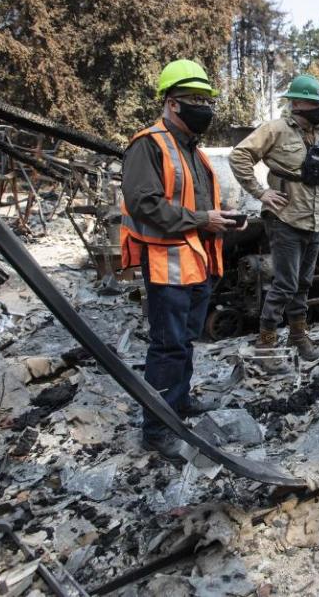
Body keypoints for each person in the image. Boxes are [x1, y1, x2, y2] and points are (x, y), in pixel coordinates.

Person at [120, 59, 244, 462]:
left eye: (207, 100)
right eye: (195, 100)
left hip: (196, 265)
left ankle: (179, 402)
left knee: (184, 343)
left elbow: (196, 204)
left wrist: (220, 222)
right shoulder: (149, 145)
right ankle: (157, 429)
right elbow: (144, 205)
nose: (204, 108)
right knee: (168, 347)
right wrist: (202, 219)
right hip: (167, 266)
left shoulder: (192, 150)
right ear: (172, 103)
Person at [228, 73, 319, 361]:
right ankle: (266, 343)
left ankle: (299, 337)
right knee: (285, 284)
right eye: (311, 102)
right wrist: (260, 193)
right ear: (296, 103)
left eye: (318, 103)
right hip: (285, 220)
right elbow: (239, 156)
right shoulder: (274, 130)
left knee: (303, 283)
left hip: (314, 222)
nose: (317, 108)